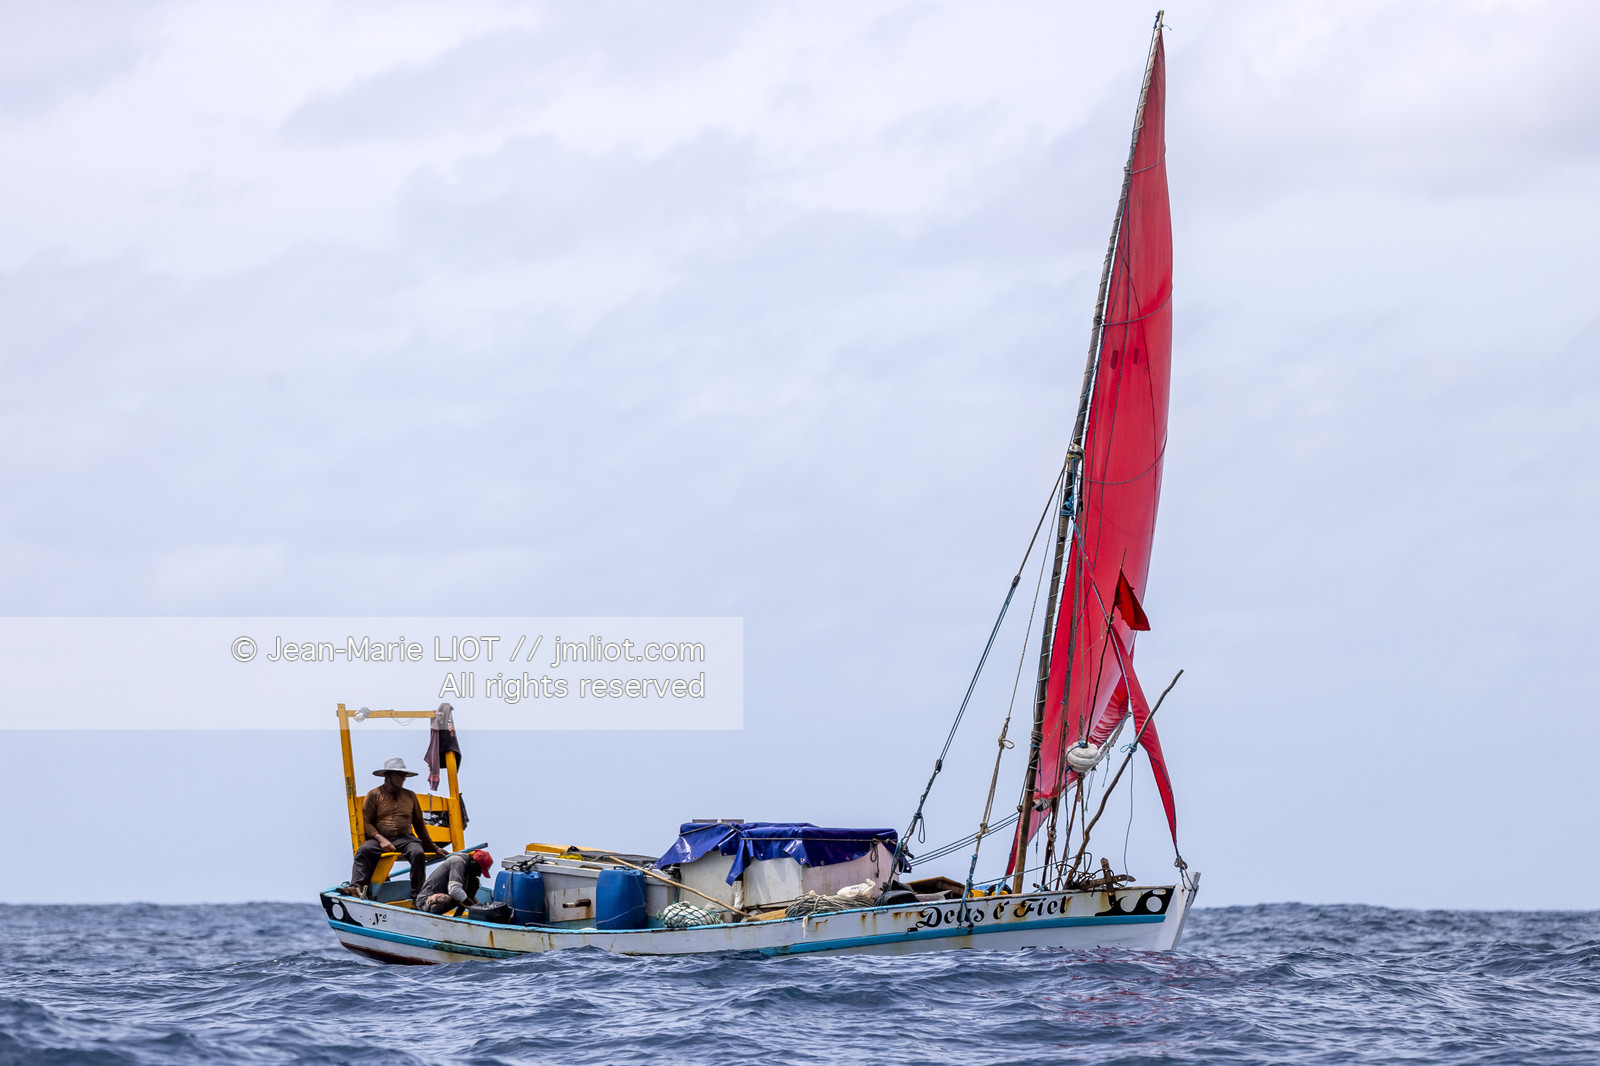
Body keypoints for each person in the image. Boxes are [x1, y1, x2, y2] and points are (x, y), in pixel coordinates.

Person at [342, 757, 451, 899]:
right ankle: (355, 887)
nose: (402, 779)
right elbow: (366, 823)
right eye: (399, 775)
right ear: (388, 776)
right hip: (380, 838)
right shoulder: (374, 795)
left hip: (406, 839)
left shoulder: (410, 796)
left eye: (403, 776)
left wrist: (434, 848)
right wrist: (381, 839)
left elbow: (419, 825)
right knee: (364, 851)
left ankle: (417, 897)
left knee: (418, 853)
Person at [416, 849, 494, 914]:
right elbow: (454, 890)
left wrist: (480, 908)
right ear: (474, 864)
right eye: (479, 871)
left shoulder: (468, 867)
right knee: (450, 898)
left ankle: (457, 917)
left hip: (445, 895)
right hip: (425, 902)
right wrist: (474, 906)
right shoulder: (458, 862)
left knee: (475, 883)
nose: (479, 875)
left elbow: (467, 896)